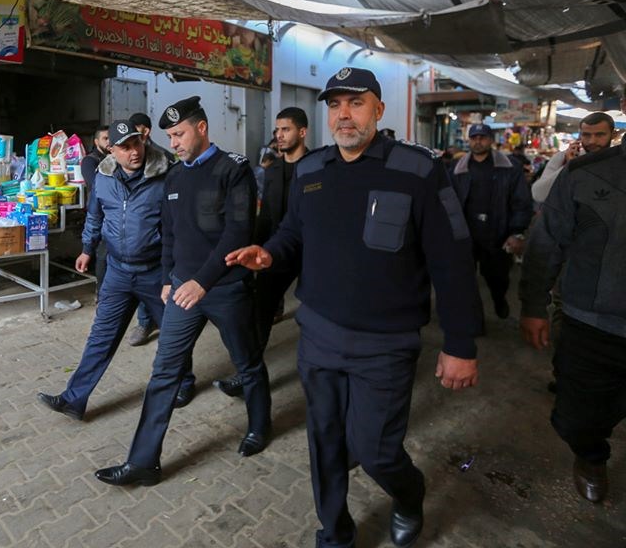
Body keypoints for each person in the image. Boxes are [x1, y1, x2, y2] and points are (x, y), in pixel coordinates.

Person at [226, 67, 483, 548]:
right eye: (335, 105)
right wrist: (271, 253)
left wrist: (460, 344)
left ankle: (408, 495)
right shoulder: (311, 171)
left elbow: (452, 260)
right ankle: (335, 533)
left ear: (378, 110)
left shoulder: (418, 171)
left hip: (385, 344)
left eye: (356, 103)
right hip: (318, 336)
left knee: (375, 449)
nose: (344, 114)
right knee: (324, 442)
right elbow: (293, 233)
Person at [94, 95, 272, 487]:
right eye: (170, 136)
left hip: (226, 288)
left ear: (201, 127)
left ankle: (260, 425)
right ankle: (143, 462)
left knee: (247, 362)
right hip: (182, 290)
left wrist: (201, 281)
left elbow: (238, 233)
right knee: (164, 371)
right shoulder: (174, 177)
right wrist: (167, 279)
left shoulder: (233, 170)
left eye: (179, 134)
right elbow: (170, 234)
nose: (172, 143)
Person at [37, 120, 195, 418]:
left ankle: (185, 382)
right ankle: (74, 399)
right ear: (111, 150)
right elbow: (95, 216)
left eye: (137, 143)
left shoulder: (167, 175)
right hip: (118, 271)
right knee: (101, 336)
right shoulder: (104, 177)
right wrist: (87, 248)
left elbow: (179, 228)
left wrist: (175, 272)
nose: (134, 151)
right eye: (125, 147)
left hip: (156, 272)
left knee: (173, 333)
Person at [519, 139, 626, 504]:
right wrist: (534, 304)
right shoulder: (585, 174)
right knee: (577, 418)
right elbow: (547, 241)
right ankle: (591, 456)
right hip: (592, 325)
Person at [214, 106, 310, 398]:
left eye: (286, 129)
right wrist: (254, 247)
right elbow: (266, 216)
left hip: (312, 253)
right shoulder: (273, 171)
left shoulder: (317, 167)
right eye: (277, 130)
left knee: (315, 316)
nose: (279, 135)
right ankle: (247, 377)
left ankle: (318, 377)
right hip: (277, 250)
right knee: (259, 313)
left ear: (302, 132)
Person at [450, 124, 532, 319]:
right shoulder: (457, 169)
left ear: (491, 140)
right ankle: (471, 318)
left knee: (498, 277)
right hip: (466, 234)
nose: (478, 141)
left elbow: (521, 201)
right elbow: (448, 201)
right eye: (474, 138)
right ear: (469, 140)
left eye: (483, 137)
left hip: (497, 234)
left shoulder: (509, 167)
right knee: (464, 279)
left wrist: (517, 232)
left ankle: (499, 299)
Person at [126, 112, 174, 346]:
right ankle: (145, 322)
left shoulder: (163, 158)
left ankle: (166, 326)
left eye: (138, 132)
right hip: (136, 231)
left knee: (158, 283)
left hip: (158, 231)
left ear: (146, 132)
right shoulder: (122, 158)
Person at [531, 112, 614, 203]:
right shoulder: (563, 158)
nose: (592, 141)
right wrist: (570, 165)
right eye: (586, 135)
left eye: (599, 135)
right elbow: (539, 195)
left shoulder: (619, 160)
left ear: (613, 135)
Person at [81, 125, 111, 296]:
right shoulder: (90, 161)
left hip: (114, 215)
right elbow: (96, 187)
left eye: (111, 138)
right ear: (96, 141)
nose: (109, 142)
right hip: (99, 213)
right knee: (102, 255)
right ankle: (101, 293)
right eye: (105, 138)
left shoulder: (116, 158)